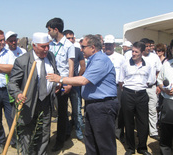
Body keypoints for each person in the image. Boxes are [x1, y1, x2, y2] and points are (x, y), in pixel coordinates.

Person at [47, 34, 119, 155]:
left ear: (92, 48)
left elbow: (83, 80)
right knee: (91, 140)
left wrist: (60, 79)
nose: (81, 49)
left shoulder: (100, 60)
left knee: (104, 143)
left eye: (83, 46)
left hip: (103, 106)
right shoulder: (94, 59)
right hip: (94, 106)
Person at [8, 32, 58, 155]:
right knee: (27, 135)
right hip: (28, 103)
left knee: (44, 132)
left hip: (46, 102)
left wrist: (57, 84)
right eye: (43, 46)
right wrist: (18, 94)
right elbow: (12, 83)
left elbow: (54, 74)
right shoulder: (22, 61)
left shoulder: (50, 57)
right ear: (34, 45)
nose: (46, 49)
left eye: (48, 46)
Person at [119, 41, 155, 155]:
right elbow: (121, 81)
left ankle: (142, 147)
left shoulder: (148, 65)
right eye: (132, 51)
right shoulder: (125, 64)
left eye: (136, 52)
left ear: (142, 52)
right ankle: (130, 148)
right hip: (128, 94)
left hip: (142, 95)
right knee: (128, 122)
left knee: (143, 122)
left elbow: (151, 81)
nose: (133, 53)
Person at [46, 17, 75, 151]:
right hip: (50, 82)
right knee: (48, 111)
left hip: (62, 83)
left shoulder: (69, 45)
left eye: (49, 30)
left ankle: (60, 141)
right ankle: (45, 140)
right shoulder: (50, 44)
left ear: (56, 30)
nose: (48, 32)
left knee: (62, 114)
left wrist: (68, 83)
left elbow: (71, 65)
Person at [157, 37, 173, 155]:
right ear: (171, 51)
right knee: (165, 139)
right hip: (168, 106)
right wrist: (164, 89)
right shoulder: (166, 65)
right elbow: (159, 80)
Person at [63, 29, 85, 140]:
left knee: (77, 110)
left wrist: (76, 78)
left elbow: (83, 67)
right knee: (63, 110)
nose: (71, 40)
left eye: (72, 38)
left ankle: (79, 133)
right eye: (68, 38)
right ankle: (66, 131)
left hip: (75, 85)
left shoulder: (78, 51)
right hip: (63, 84)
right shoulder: (61, 50)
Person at [103, 34, 125, 142]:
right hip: (103, 87)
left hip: (116, 86)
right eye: (106, 45)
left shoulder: (121, 58)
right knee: (105, 109)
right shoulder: (100, 56)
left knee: (119, 109)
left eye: (110, 45)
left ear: (114, 45)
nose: (108, 47)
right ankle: (107, 131)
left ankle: (118, 132)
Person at [140, 38, 162, 141]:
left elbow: (159, 71)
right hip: (140, 88)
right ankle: (141, 130)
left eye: (149, 46)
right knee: (140, 111)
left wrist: (157, 84)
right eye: (146, 46)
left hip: (152, 87)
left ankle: (153, 131)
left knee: (152, 110)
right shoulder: (137, 57)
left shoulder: (154, 57)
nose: (148, 48)